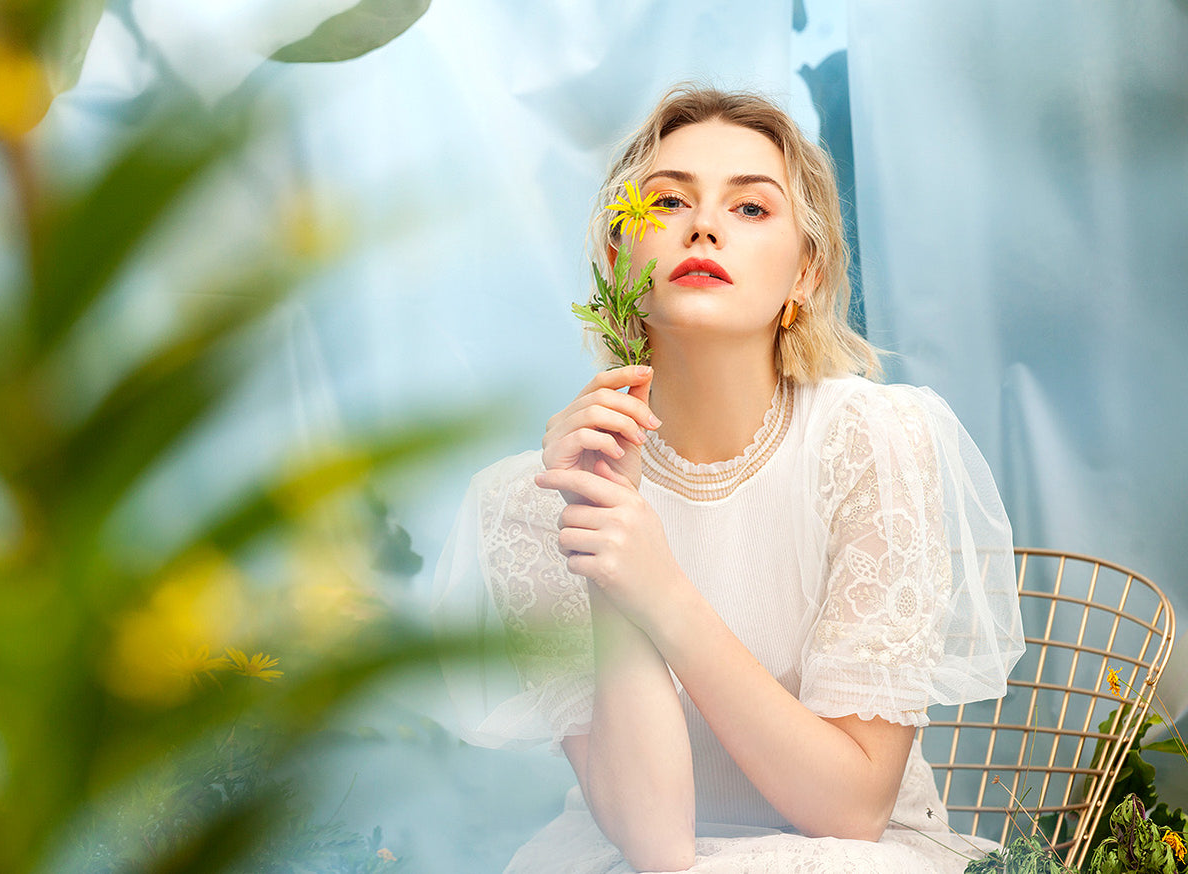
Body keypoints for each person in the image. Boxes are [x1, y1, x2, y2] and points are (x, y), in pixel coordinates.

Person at [433, 85, 1025, 874]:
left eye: (750, 208)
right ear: (616, 261)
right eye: (668, 201)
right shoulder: (541, 500)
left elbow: (851, 811)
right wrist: (608, 537)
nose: (704, 226)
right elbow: (655, 844)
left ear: (806, 273)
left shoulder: (873, 441)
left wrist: (660, 587)